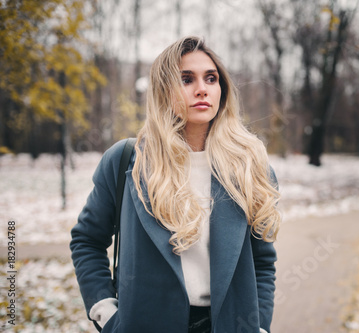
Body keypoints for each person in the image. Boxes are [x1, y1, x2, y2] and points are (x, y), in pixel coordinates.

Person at [70, 36, 281, 333]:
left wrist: (258, 325)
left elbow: (262, 262)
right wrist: (106, 312)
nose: (202, 89)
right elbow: (87, 240)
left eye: (211, 78)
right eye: (186, 79)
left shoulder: (249, 167)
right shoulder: (127, 161)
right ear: (163, 90)